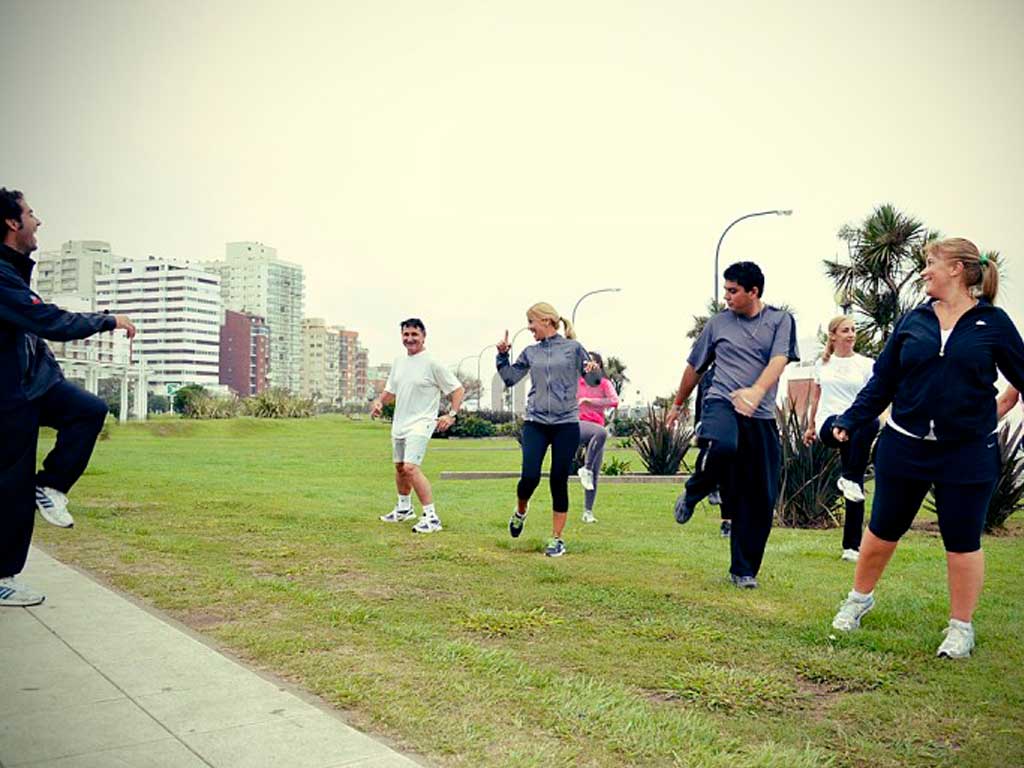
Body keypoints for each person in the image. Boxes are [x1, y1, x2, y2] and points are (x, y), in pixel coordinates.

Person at [830, 238, 1024, 659]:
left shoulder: (992, 323)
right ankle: (858, 599)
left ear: (956, 269)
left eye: (930, 263)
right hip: (905, 445)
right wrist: (850, 420)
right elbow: (882, 381)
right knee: (882, 531)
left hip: (967, 451)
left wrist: (1001, 406)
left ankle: (960, 628)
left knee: (962, 540)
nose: (924, 271)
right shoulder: (913, 320)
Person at [1, 188, 136, 607]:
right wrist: (107, 319)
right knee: (10, 488)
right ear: (11, 222)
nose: (37, 221)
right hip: (10, 397)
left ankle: (52, 485)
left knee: (90, 410)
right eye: (31, 213)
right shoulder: (2, 277)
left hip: (35, 384)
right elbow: (46, 319)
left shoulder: (13, 271)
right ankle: (2, 578)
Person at [666, 261, 799, 588]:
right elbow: (695, 368)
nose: (726, 296)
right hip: (721, 402)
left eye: (733, 291)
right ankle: (696, 489)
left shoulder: (780, 321)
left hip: (761, 415)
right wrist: (678, 403)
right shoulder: (717, 324)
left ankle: (743, 570)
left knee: (759, 497)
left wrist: (756, 391)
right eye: (726, 289)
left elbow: (779, 360)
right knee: (723, 445)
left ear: (754, 292)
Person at [496, 302, 595, 557]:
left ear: (546, 321)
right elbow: (509, 378)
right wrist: (502, 356)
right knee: (529, 476)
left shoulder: (573, 349)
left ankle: (557, 539)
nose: (529, 328)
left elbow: (593, 380)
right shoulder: (530, 352)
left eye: (532, 322)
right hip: (536, 423)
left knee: (558, 479)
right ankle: (520, 511)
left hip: (566, 424)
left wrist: (594, 371)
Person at [371, 318, 464, 534]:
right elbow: (391, 391)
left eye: (414, 334)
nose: (410, 339)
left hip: (421, 423)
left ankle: (431, 517)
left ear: (423, 336)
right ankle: (404, 509)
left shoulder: (432, 363)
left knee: (411, 468)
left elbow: (457, 390)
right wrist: (379, 402)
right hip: (400, 423)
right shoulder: (399, 362)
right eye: (406, 335)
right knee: (400, 467)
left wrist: (451, 415)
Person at [802, 316, 878, 562]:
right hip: (829, 423)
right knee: (853, 473)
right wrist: (810, 427)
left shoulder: (867, 364)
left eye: (854, 330)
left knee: (853, 484)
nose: (851, 334)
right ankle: (849, 477)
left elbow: (873, 398)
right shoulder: (822, 364)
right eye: (845, 330)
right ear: (833, 335)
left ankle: (852, 548)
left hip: (855, 425)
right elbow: (815, 399)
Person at [575, 351, 619, 523]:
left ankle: (588, 511)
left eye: (594, 363)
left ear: (600, 366)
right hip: (577, 426)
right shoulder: (576, 382)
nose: (590, 366)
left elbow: (614, 401)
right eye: (587, 363)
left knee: (594, 474)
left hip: (596, 431)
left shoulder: (604, 384)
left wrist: (589, 401)